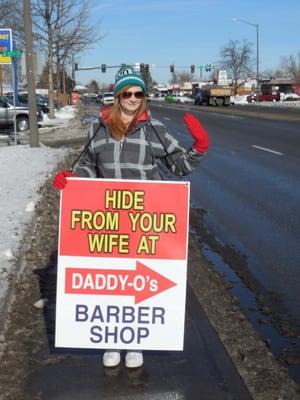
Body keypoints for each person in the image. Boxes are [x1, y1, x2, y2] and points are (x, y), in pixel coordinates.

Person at [53, 65, 210, 369]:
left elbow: (180, 166)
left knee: (139, 278)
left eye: (139, 93)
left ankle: (137, 340)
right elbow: (88, 163)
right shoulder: (97, 129)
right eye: (127, 92)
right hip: (107, 218)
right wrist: (73, 180)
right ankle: (112, 339)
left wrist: (199, 146)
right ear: (117, 96)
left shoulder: (155, 129)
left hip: (144, 219)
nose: (133, 98)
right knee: (113, 279)